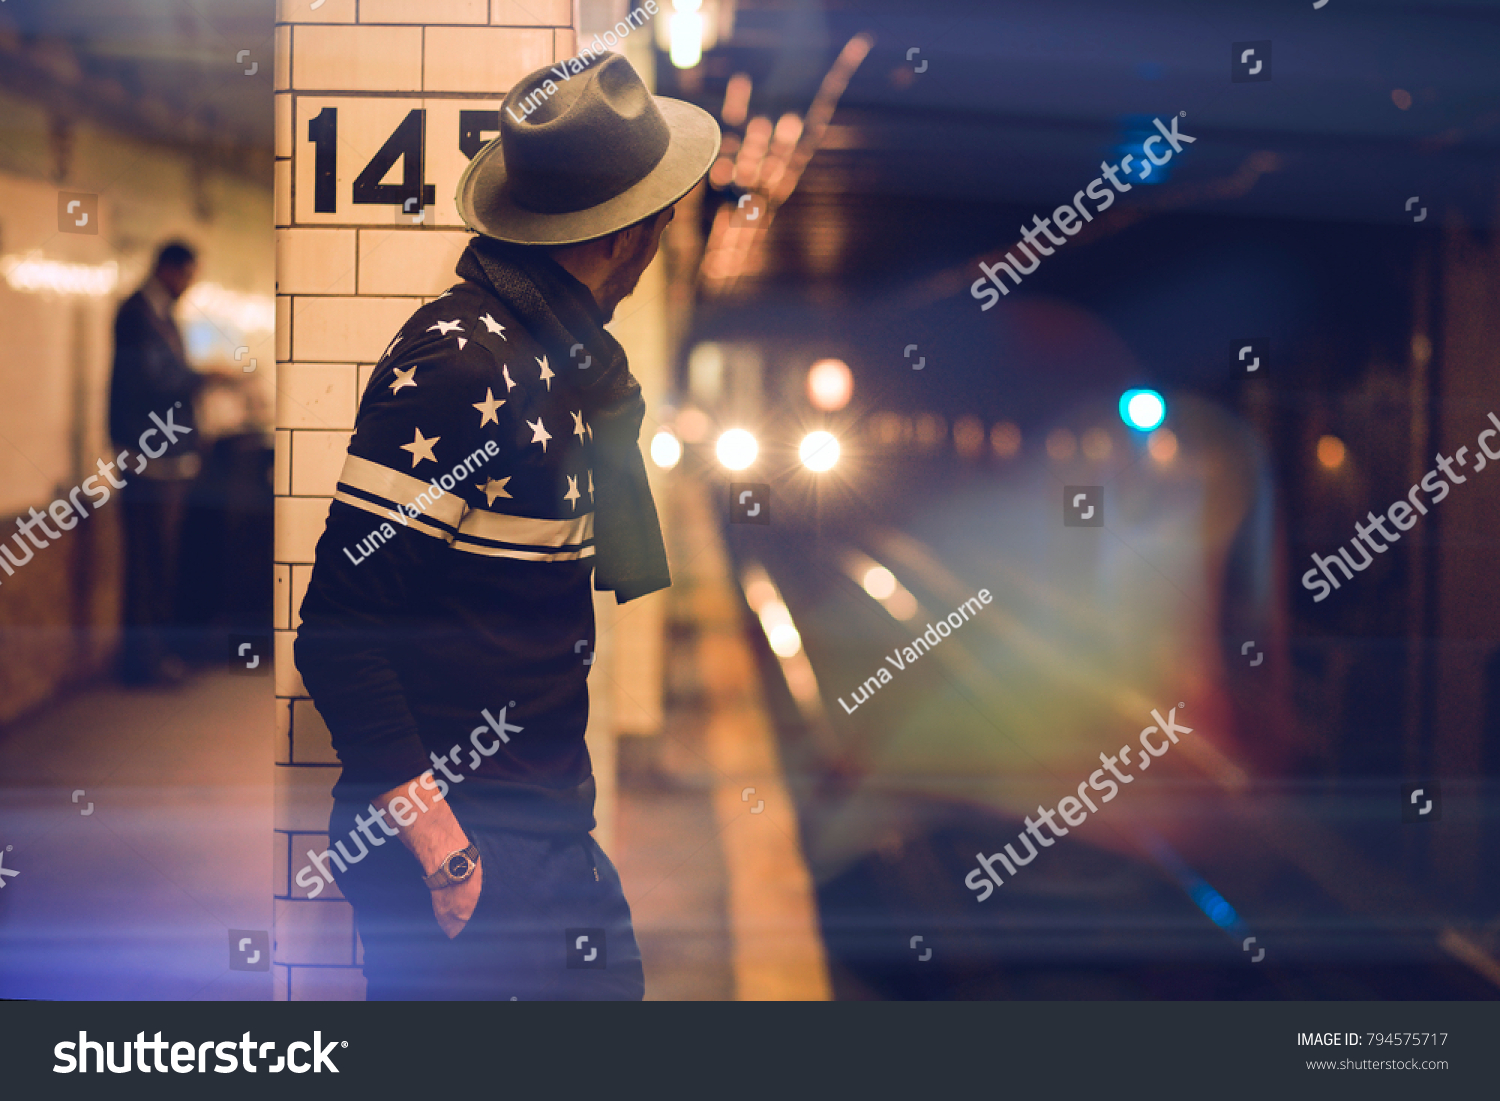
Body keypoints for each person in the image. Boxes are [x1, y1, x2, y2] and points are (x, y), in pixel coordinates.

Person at [294, 54, 720, 1000]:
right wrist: (446, 852)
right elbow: (337, 633)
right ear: (623, 239)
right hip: (474, 846)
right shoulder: (465, 366)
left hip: (539, 830)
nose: (657, 249)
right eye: (658, 224)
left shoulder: (563, 364)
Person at [109, 240, 205, 684]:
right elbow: (155, 382)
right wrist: (206, 377)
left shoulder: (159, 312)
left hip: (165, 458)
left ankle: (153, 657)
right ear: (168, 269)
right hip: (149, 459)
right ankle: (143, 664)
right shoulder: (138, 314)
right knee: (150, 562)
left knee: (159, 561)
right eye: (186, 274)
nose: (189, 284)